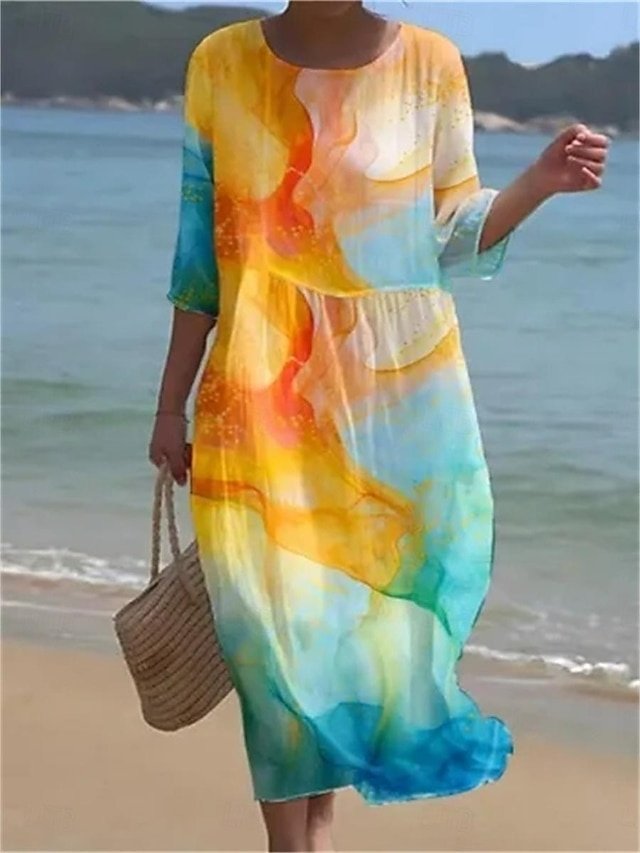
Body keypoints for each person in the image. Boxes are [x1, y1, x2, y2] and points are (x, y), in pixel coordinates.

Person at [149, 3, 610, 850]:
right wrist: (168, 401)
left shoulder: (430, 63)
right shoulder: (222, 61)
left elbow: (450, 233)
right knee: (267, 635)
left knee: (350, 643)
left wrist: (538, 184)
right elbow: (199, 251)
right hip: (256, 398)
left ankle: (313, 834)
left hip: (397, 412)